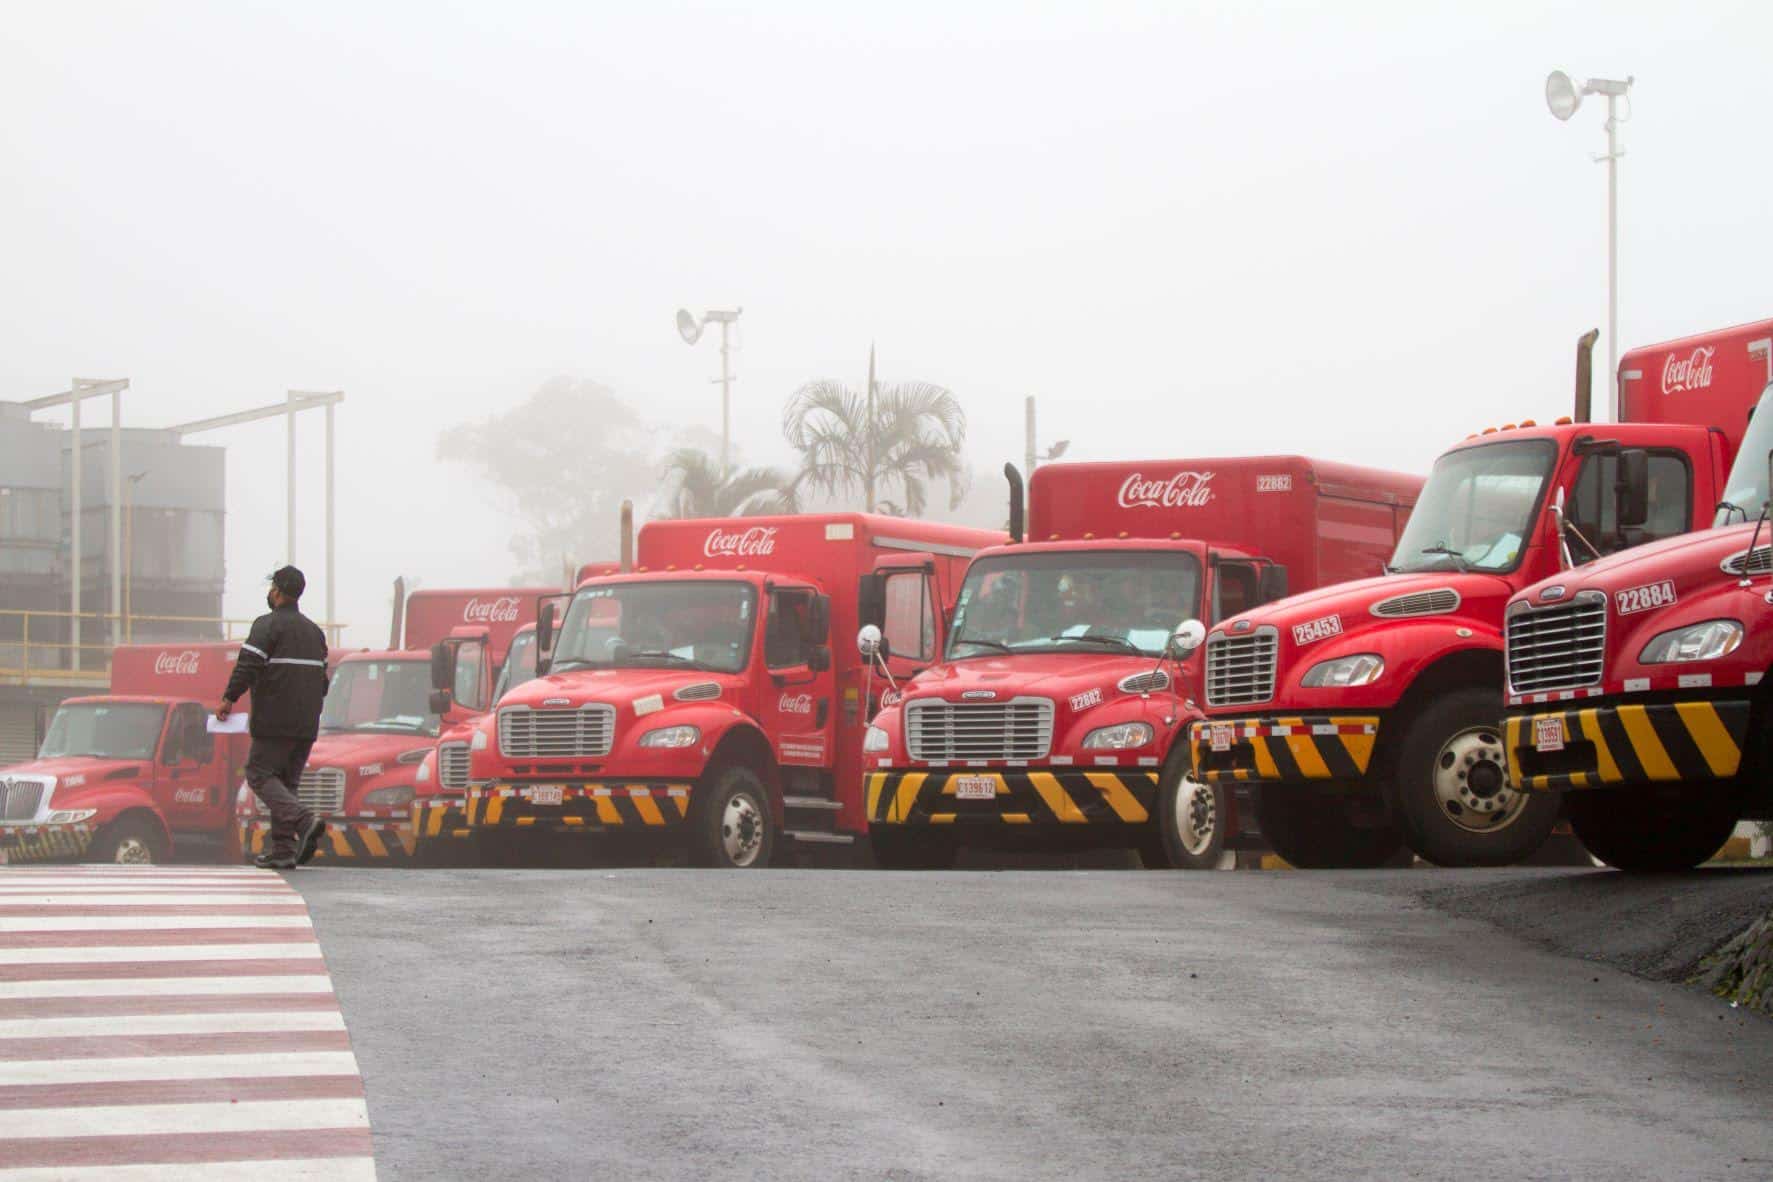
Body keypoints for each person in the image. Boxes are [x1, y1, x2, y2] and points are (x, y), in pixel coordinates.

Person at [217, 565, 330, 869]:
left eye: (271, 588)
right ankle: (283, 850)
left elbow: (248, 666)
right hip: (307, 724)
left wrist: (229, 698)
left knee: (258, 773)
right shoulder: (315, 633)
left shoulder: (266, 626)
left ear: (277, 591)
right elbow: (324, 685)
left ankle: (303, 820)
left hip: (274, 721)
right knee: (286, 784)